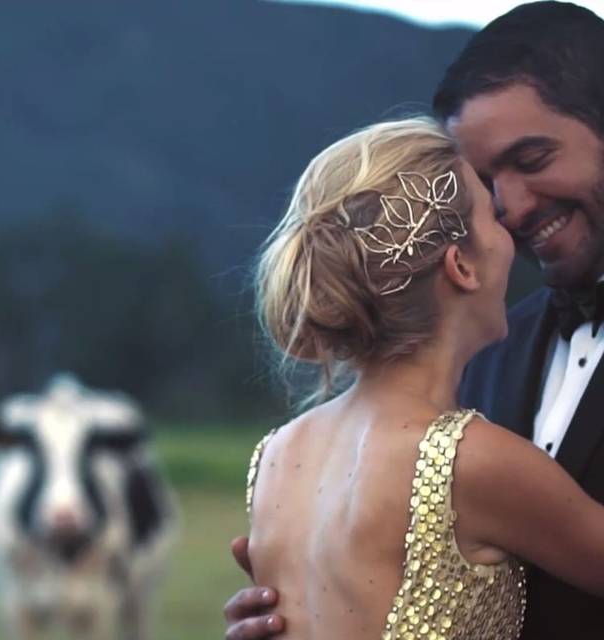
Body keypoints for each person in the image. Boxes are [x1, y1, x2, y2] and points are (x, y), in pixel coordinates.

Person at [224, 3, 604, 639]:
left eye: (533, 159)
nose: (509, 209)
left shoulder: (277, 456)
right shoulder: (483, 387)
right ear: (458, 265)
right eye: (487, 187)